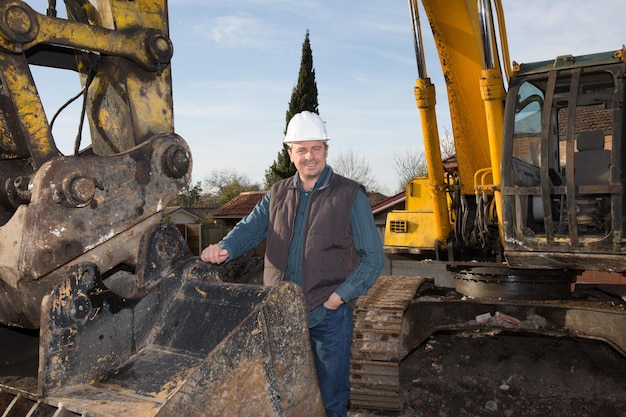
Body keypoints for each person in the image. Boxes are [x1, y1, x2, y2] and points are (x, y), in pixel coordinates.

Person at [201, 111, 385, 417]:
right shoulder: (277, 193)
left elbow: (374, 258)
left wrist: (339, 298)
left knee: (330, 400)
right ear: (290, 154)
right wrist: (224, 248)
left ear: (326, 150)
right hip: (279, 314)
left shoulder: (350, 195)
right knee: (282, 396)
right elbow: (250, 228)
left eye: (316, 148)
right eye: (301, 149)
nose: (309, 157)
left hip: (327, 315)